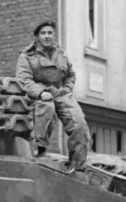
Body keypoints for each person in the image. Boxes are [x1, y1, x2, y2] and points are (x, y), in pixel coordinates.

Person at [15, 20, 90, 172]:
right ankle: (39, 150)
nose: (47, 36)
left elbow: (70, 75)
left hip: (61, 92)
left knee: (79, 123)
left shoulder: (60, 54)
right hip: (39, 94)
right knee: (46, 109)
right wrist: (41, 93)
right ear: (37, 37)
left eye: (50, 33)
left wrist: (67, 89)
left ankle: (77, 165)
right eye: (43, 33)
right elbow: (23, 79)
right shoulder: (27, 56)